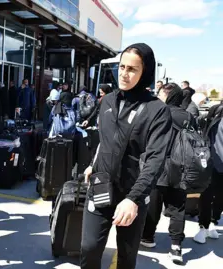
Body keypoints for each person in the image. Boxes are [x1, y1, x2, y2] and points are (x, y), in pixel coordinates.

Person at [81, 43, 172, 269]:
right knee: (89, 249)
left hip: (133, 194)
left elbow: (155, 161)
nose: (124, 73)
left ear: (145, 73)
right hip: (101, 187)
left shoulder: (157, 110)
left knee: (126, 257)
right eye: (122, 67)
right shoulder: (108, 101)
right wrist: (93, 164)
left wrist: (133, 199)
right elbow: (104, 139)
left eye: (132, 69)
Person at [141, 83, 196, 264]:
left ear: (168, 95)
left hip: (158, 167)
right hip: (182, 168)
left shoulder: (158, 112)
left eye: (161, 94)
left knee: (153, 204)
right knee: (178, 208)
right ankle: (176, 247)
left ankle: (148, 238)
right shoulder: (188, 116)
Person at [193, 101, 223, 244]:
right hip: (212, 161)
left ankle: (213, 221)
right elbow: (200, 123)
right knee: (206, 194)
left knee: (220, 197)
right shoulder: (216, 111)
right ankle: (203, 225)